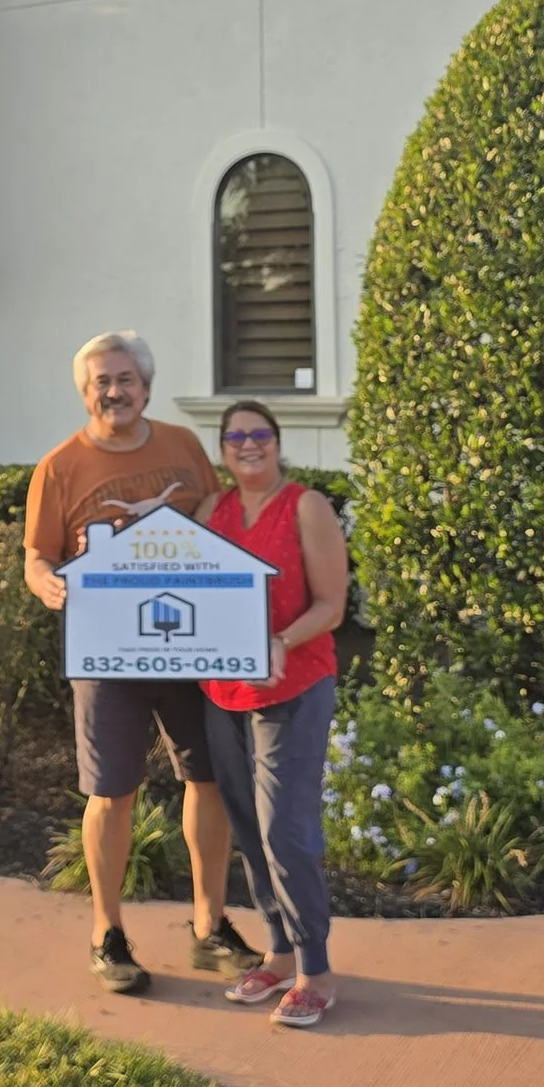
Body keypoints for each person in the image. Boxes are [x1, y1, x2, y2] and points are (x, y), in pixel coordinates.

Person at [24, 331, 259, 994]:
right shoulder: (59, 466)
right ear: (84, 392)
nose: (114, 391)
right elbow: (37, 555)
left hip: (190, 642)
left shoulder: (182, 446)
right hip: (107, 651)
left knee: (207, 778)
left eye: (125, 379)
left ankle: (210, 927)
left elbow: (216, 514)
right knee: (111, 792)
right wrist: (46, 584)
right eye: (101, 381)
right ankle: (108, 934)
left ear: (147, 387)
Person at [197, 399, 348, 1029]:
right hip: (223, 691)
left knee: (286, 828)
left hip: (295, 686)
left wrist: (281, 642)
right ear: (223, 450)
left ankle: (316, 971)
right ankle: (280, 954)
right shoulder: (213, 511)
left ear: (278, 443)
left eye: (260, 433)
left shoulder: (305, 507)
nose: (248, 444)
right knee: (249, 826)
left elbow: (332, 605)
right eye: (235, 437)